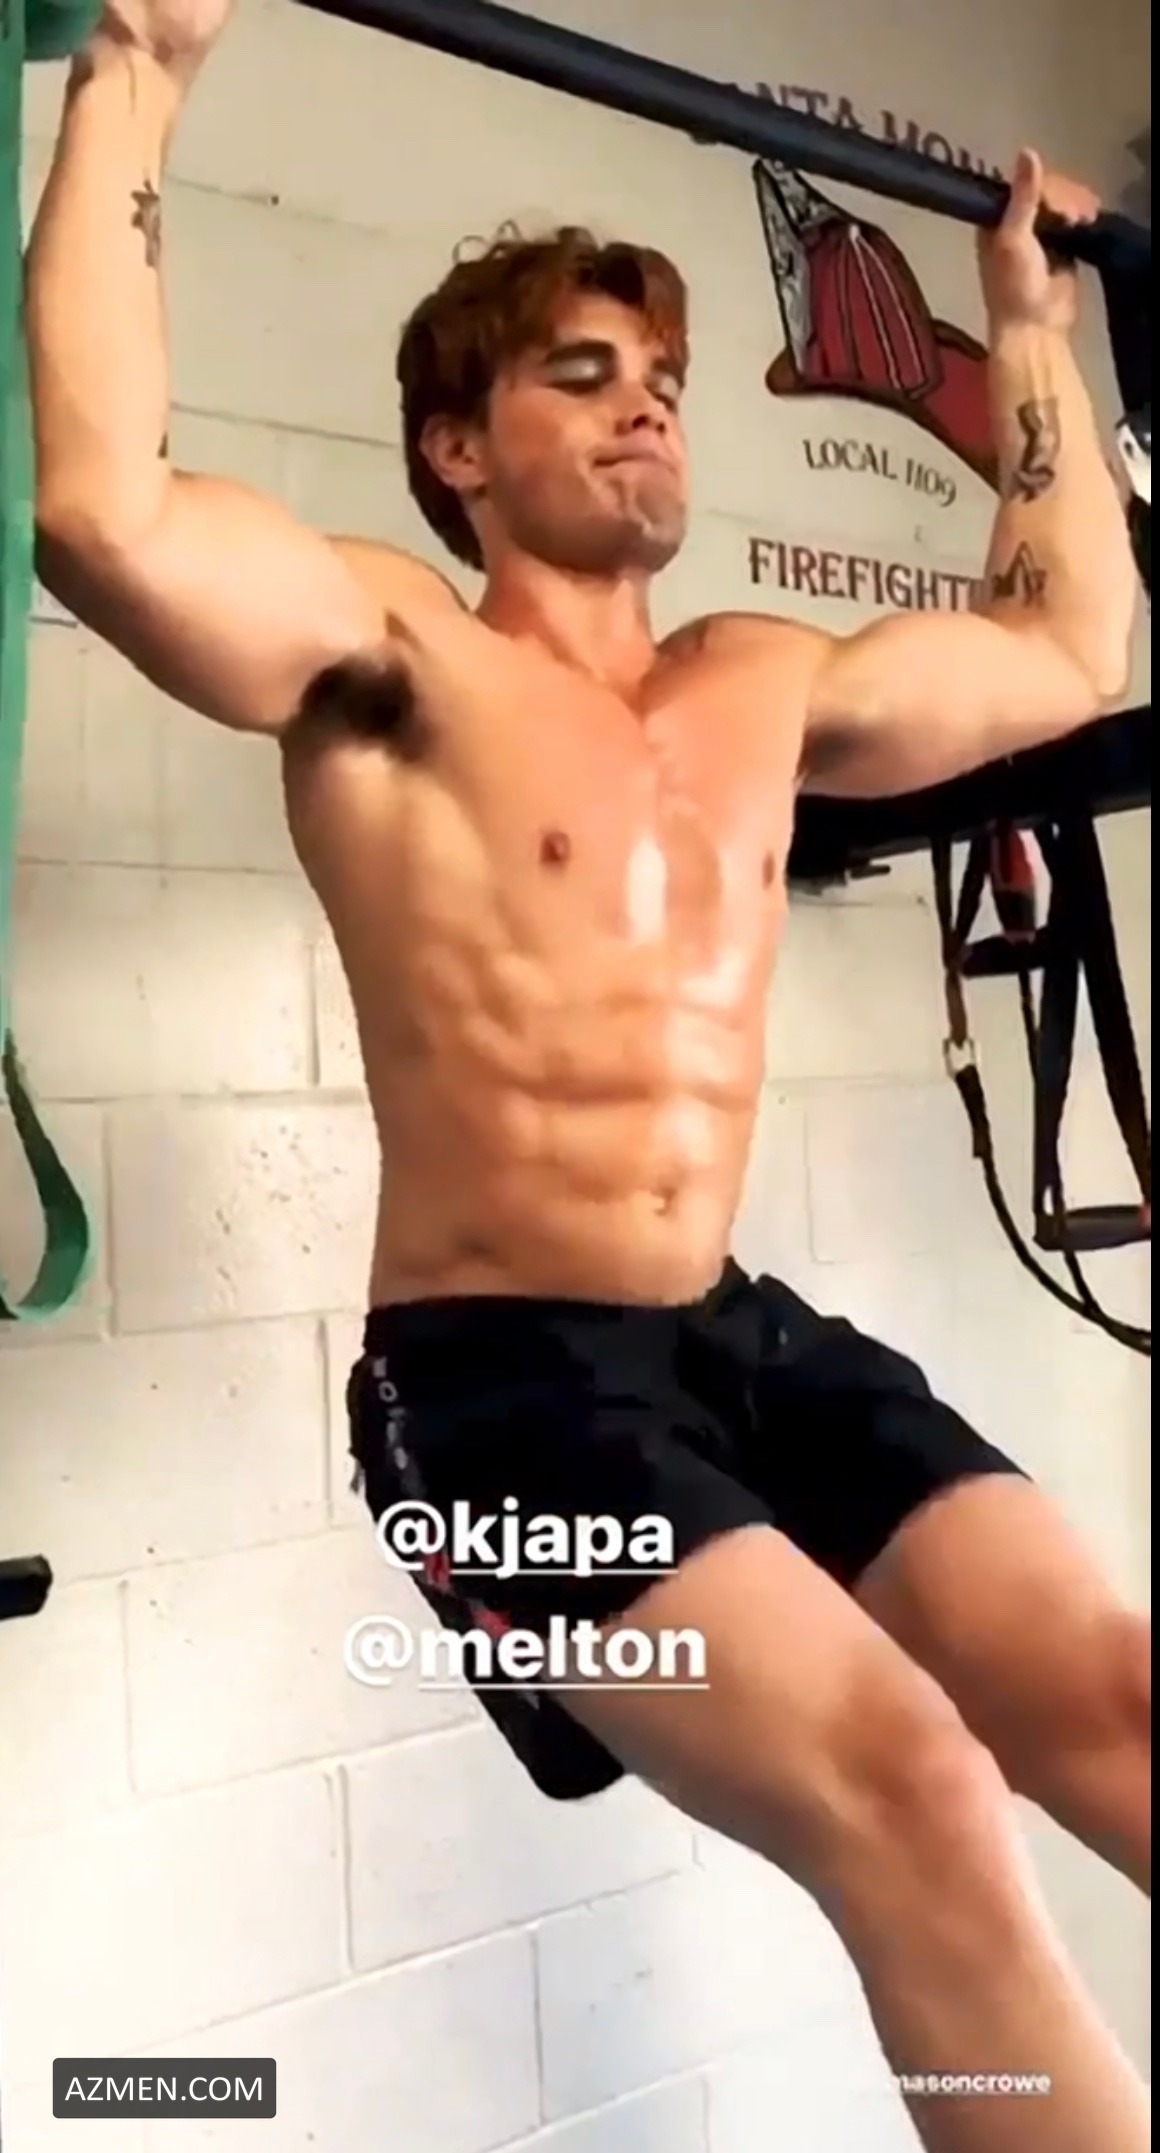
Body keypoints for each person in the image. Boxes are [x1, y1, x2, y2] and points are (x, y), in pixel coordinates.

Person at [29, 5, 1149, 2149]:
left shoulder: (760, 682)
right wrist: (136, 79)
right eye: (582, 373)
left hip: (736, 1339)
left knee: (1115, 1693)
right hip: (498, 1396)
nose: (648, 407)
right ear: (458, 448)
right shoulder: (389, 656)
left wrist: (1030, 331)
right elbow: (104, 509)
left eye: (664, 380)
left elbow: (1064, 647)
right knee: (913, 1785)